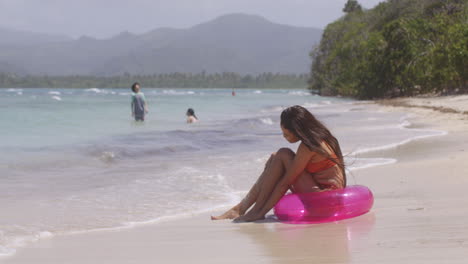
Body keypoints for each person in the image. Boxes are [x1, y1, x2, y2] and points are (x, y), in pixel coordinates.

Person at [211, 105, 346, 222]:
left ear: (298, 131)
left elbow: (285, 183)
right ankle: (240, 208)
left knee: (282, 154)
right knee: (277, 157)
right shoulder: (323, 138)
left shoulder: (308, 147)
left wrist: (260, 212)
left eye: (286, 134)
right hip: (323, 190)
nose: (284, 137)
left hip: (325, 198)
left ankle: (252, 210)